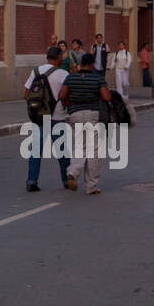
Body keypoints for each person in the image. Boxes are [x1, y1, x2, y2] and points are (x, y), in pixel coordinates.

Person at [60, 54, 112, 195]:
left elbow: (62, 95)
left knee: (79, 147)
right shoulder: (98, 78)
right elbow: (107, 97)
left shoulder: (71, 77)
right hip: (92, 114)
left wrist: (70, 102)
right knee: (94, 150)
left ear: (81, 63)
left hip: (75, 114)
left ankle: (73, 171)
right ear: (93, 64)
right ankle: (91, 186)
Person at [24, 45, 71, 192]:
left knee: (36, 150)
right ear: (59, 58)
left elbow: (26, 94)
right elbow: (65, 96)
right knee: (61, 150)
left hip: (40, 116)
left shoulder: (36, 71)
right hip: (57, 116)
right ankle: (66, 180)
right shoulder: (64, 74)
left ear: (46, 57)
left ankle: (32, 181)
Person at [108, 40, 136, 124]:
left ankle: (126, 94)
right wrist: (111, 67)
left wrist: (127, 66)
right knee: (119, 83)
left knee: (125, 83)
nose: (120, 46)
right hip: (118, 69)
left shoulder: (127, 53)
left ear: (124, 46)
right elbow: (113, 61)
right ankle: (121, 96)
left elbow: (129, 60)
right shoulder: (116, 53)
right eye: (119, 45)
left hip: (125, 69)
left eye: (122, 45)